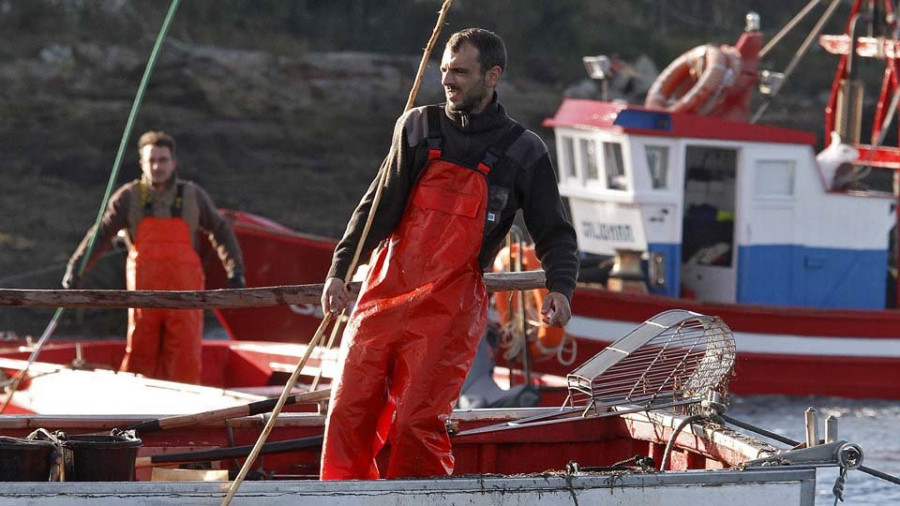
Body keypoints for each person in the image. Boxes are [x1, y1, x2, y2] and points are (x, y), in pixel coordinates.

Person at [319, 28, 579, 480]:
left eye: (460, 72)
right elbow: (377, 208)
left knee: (415, 423)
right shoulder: (417, 126)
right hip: (384, 292)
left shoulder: (524, 151)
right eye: (444, 71)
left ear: (492, 75)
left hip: (449, 307)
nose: (448, 81)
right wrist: (340, 270)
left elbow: (554, 233)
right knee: (347, 410)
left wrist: (560, 288)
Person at [63, 131, 245, 384]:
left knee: (185, 356)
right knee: (140, 353)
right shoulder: (128, 197)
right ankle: (136, 414)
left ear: (173, 162)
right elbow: (102, 234)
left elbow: (220, 230)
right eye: (152, 161)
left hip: (185, 297)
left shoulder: (193, 195)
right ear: (142, 164)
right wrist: (76, 268)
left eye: (163, 160)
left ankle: (187, 413)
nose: (157, 166)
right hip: (143, 297)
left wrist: (235, 270)